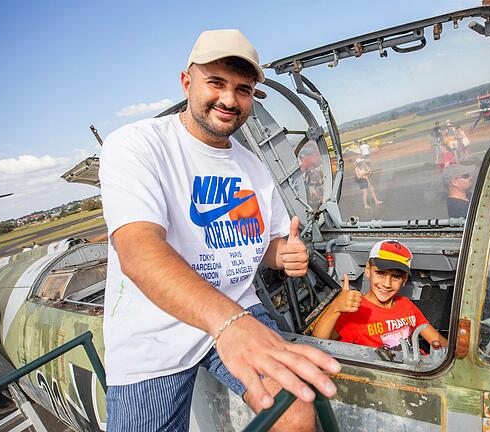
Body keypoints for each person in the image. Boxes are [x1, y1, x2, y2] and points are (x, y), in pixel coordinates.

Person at [99, 29, 340, 432]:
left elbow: (268, 245)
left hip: (240, 307)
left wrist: (284, 254)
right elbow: (138, 251)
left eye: (243, 90)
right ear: (186, 81)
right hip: (156, 330)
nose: (229, 100)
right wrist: (228, 324)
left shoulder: (253, 167)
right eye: (216, 83)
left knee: (295, 409)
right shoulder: (136, 146)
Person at [312, 240, 447, 353]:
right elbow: (317, 345)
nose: (387, 284)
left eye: (396, 276)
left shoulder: (406, 304)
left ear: (404, 280)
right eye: (381, 274)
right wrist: (335, 308)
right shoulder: (354, 311)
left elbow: (438, 342)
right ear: (368, 270)